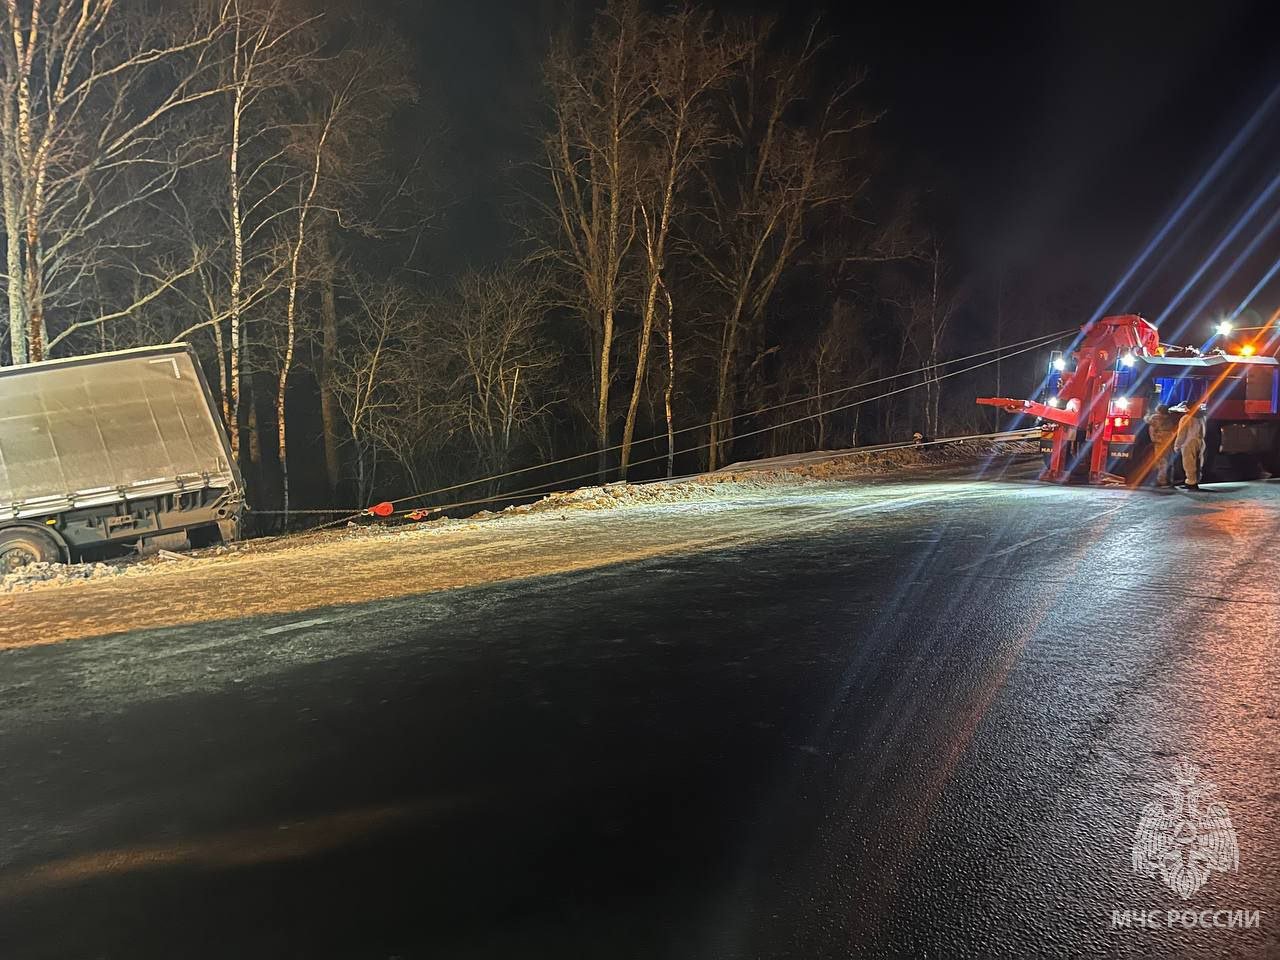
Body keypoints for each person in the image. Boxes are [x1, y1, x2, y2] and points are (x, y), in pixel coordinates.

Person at [1173, 403, 1208, 490]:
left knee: (1188, 462)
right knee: (1198, 462)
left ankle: (1191, 482)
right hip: (1200, 442)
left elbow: (1182, 433)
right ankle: (1196, 480)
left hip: (1188, 442)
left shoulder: (1186, 418)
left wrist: (1177, 445)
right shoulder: (1202, 417)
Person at [1145, 403, 1178, 487]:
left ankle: (1161, 480)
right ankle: (1170, 479)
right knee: (1169, 460)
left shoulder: (1156, 418)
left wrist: (1147, 412)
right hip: (1169, 440)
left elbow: (1147, 420)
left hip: (1160, 441)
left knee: (1161, 461)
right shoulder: (1170, 418)